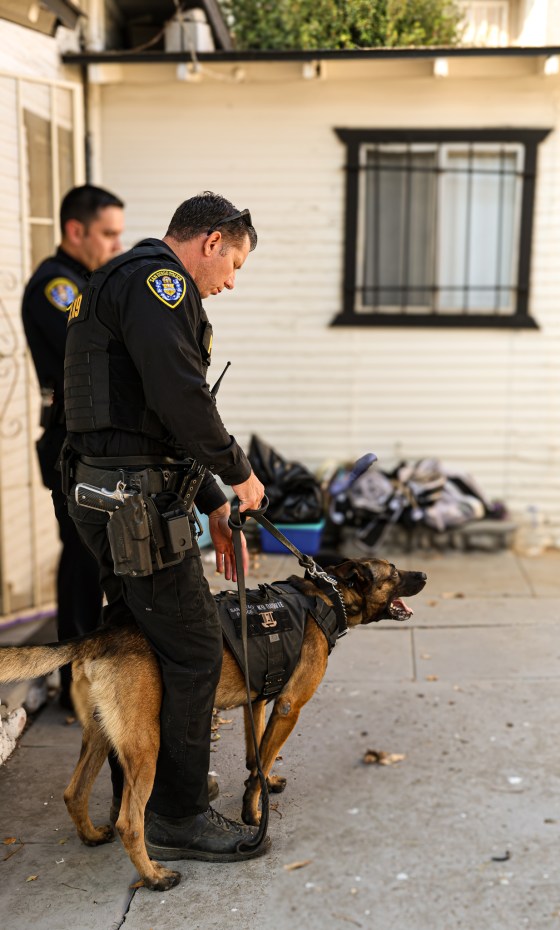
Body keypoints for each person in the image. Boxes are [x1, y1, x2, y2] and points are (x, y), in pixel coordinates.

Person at [63, 191, 269, 861]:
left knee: (139, 648)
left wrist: (206, 489)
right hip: (135, 508)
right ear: (211, 242)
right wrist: (237, 473)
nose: (230, 281)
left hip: (113, 493)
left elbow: (145, 407)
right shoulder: (161, 284)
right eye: (233, 263)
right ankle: (179, 819)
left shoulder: (129, 279)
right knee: (195, 651)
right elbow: (179, 392)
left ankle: (143, 803)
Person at [21, 184, 125, 708]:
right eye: (107, 234)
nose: (115, 244)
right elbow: (91, 349)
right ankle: (76, 686)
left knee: (91, 556)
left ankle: (87, 678)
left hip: (85, 441)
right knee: (83, 559)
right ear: (75, 231)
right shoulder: (55, 287)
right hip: (67, 442)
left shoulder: (87, 279)